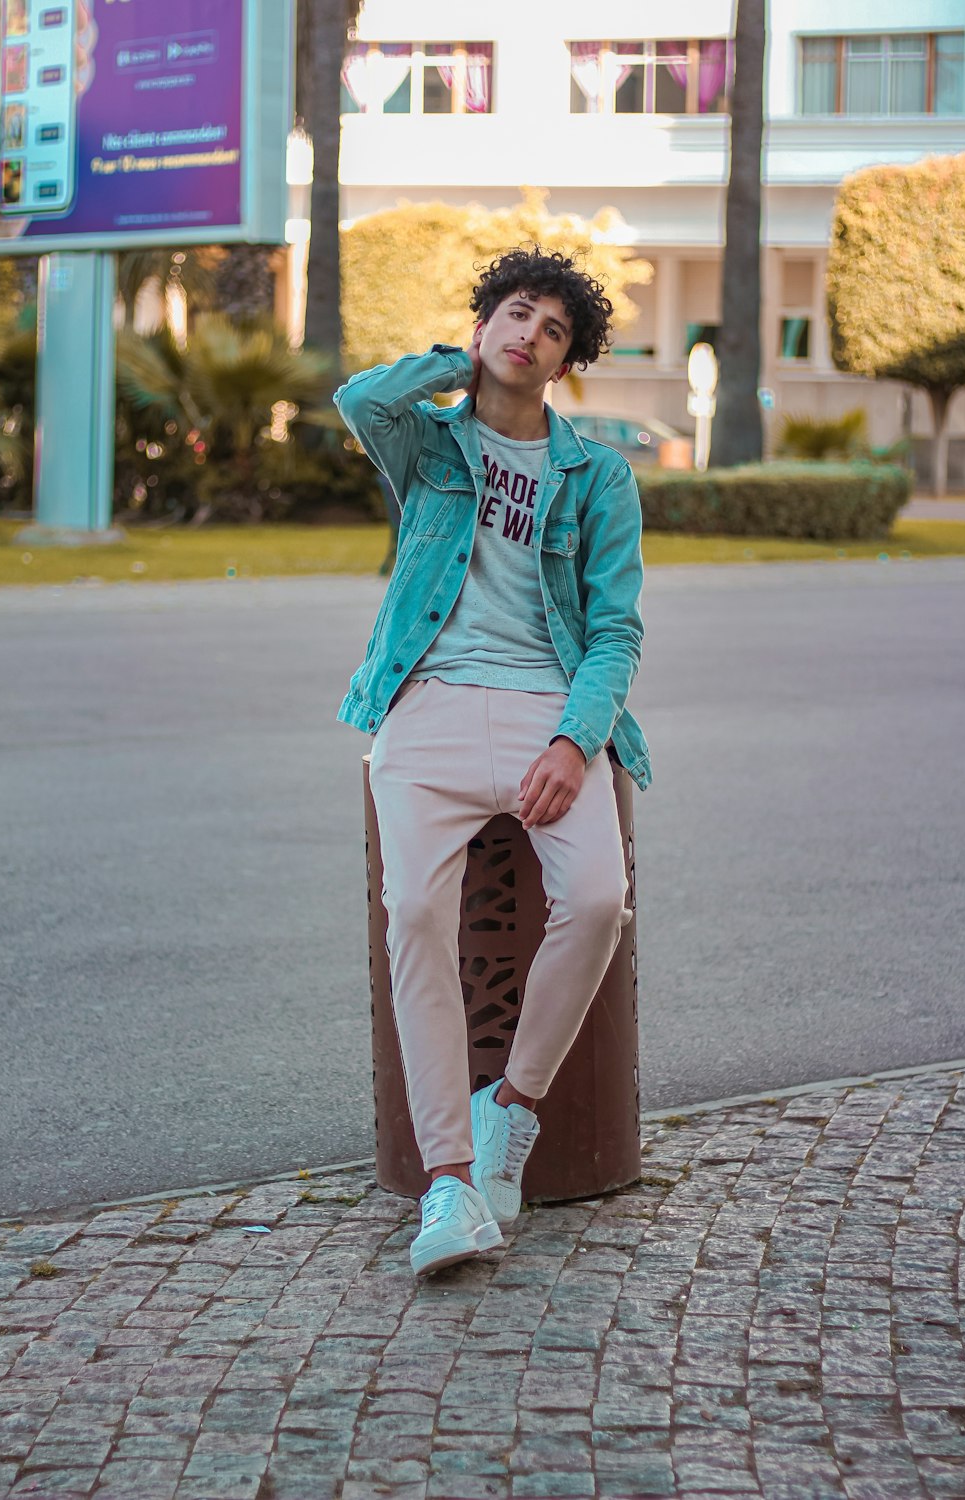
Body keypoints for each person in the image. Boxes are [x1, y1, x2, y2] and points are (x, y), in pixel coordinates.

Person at [335, 246, 651, 1275]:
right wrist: (451, 358)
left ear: (568, 363)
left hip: (543, 709)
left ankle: (510, 1107)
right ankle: (449, 1186)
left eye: (552, 330)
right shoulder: (426, 448)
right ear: (483, 329)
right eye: (514, 315)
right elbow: (358, 397)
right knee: (413, 916)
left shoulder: (597, 474)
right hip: (424, 705)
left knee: (599, 899)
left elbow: (614, 632)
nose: (529, 336)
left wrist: (575, 738)